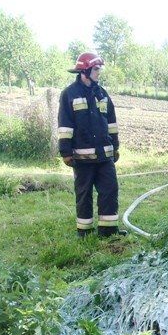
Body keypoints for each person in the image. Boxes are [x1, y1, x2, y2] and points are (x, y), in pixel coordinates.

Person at [58, 52, 126, 238]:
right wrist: (66, 152)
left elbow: (111, 123)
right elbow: (65, 126)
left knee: (110, 191)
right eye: (96, 69)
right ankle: (84, 231)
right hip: (82, 157)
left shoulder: (102, 93)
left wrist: (115, 147)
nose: (98, 72)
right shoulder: (69, 94)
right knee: (84, 194)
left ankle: (108, 231)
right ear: (85, 71)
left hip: (105, 156)